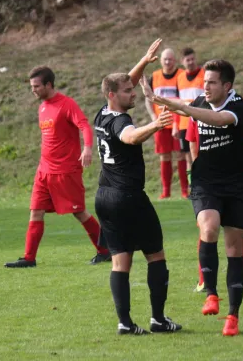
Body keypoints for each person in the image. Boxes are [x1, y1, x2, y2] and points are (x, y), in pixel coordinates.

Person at [142, 59, 243, 336]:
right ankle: (212, 293)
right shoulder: (200, 103)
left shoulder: (239, 105)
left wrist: (181, 106)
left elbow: (218, 119)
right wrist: (149, 86)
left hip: (237, 185)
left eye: (212, 82)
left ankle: (233, 316)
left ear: (227, 86)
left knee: (234, 251)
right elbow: (188, 129)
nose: (206, 87)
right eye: (204, 82)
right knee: (209, 226)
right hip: (206, 183)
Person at [94, 39, 183, 335]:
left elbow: (124, 82)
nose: (133, 93)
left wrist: (144, 61)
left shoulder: (102, 113)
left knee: (120, 263)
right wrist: (156, 125)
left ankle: (125, 323)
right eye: (129, 92)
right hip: (128, 198)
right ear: (113, 95)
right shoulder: (120, 121)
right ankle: (158, 319)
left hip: (104, 197)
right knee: (155, 255)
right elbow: (130, 137)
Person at [4, 66, 111, 268]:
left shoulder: (66, 104)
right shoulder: (42, 107)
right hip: (44, 171)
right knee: (35, 211)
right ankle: (29, 258)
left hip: (65, 170)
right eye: (31, 86)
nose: (33, 90)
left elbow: (84, 126)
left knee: (79, 212)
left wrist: (87, 148)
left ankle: (105, 251)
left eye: (36, 86)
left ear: (48, 85)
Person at [186, 116, 243, 292]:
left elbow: (193, 144)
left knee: (210, 229)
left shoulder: (199, 112)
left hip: (225, 179)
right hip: (227, 179)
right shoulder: (235, 110)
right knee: (239, 229)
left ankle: (205, 282)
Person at [144, 48, 188, 199]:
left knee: (182, 155)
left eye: (170, 59)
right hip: (161, 123)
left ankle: (184, 190)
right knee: (164, 156)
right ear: (161, 61)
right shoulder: (155, 76)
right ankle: (166, 192)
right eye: (165, 59)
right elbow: (148, 98)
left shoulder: (181, 75)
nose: (168, 62)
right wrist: (152, 116)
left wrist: (178, 119)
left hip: (179, 121)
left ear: (175, 60)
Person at [176, 48, 205, 180]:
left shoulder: (205, 74)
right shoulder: (180, 78)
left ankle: (205, 184)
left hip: (201, 121)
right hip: (184, 123)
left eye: (193, 59)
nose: (191, 62)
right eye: (188, 60)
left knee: (202, 155)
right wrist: (176, 125)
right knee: (188, 157)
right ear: (182, 62)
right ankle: (192, 187)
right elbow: (178, 103)